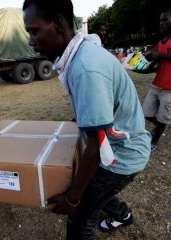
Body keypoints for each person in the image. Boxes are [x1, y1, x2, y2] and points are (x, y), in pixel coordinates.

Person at [22, 0, 151, 239]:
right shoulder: (83, 52)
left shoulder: (86, 68)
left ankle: (106, 211)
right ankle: (122, 214)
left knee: (81, 216)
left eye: (34, 31)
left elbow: (94, 147)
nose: (31, 41)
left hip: (121, 155)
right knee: (98, 191)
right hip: (121, 146)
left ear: (59, 24)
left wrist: (73, 200)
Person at [133, 8, 171, 152]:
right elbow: (154, 66)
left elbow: (160, 57)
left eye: (165, 19)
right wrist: (138, 68)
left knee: (163, 119)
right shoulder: (161, 42)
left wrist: (159, 56)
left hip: (169, 89)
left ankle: (154, 140)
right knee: (145, 113)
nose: (161, 23)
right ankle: (158, 127)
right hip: (156, 85)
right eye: (160, 20)